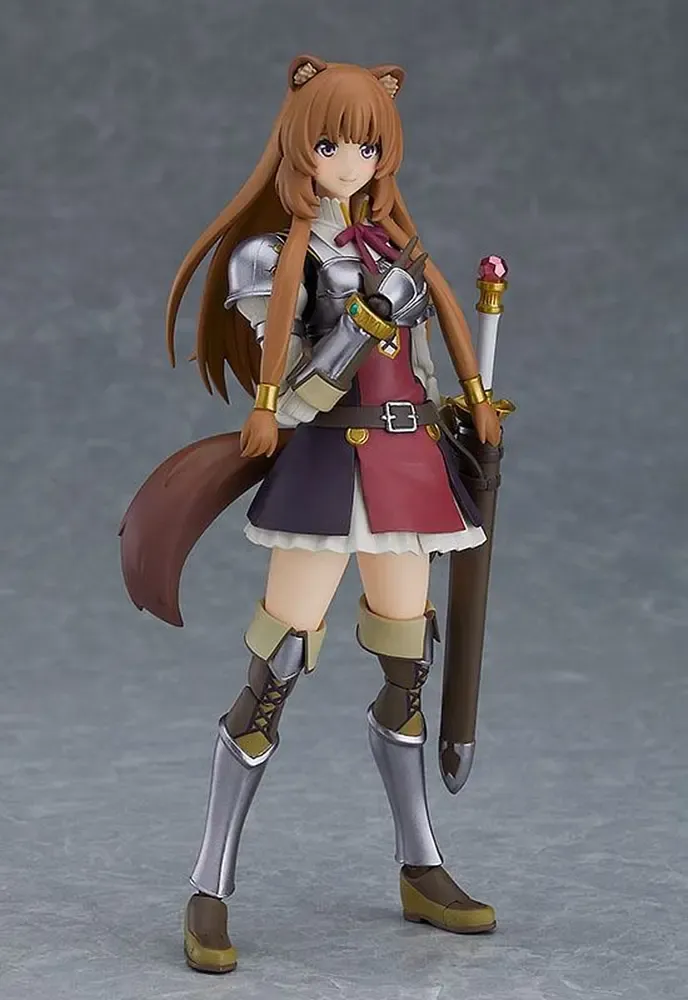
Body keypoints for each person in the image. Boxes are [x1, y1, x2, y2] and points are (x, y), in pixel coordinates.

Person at [162, 55, 502, 974]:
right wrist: (366, 319)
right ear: (299, 146)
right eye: (330, 145)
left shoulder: (392, 249)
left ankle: (421, 866)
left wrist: (468, 413)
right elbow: (293, 398)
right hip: (323, 470)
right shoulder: (271, 259)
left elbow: (414, 373)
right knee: (275, 669)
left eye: (366, 147)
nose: (350, 163)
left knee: (407, 664)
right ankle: (209, 886)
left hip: (404, 470)